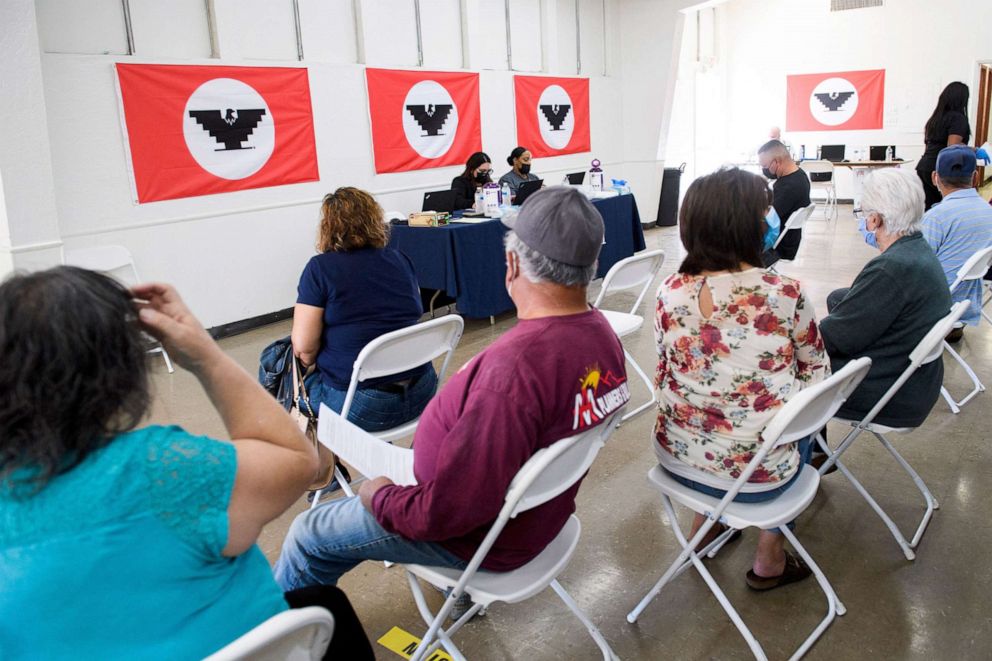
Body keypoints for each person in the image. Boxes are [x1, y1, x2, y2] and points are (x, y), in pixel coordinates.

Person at [275, 187, 630, 600]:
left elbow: (442, 514)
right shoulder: (603, 336)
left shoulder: (511, 374)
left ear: (512, 264)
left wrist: (378, 493)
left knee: (308, 532)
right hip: (539, 518)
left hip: (477, 538)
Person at [0, 268, 374, 660]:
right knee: (327, 606)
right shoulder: (164, 470)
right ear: (120, 373)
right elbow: (298, 460)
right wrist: (205, 354)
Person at [653, 167, 829, 591]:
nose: (770, 220)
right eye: (764, 212)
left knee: (707, 404)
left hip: (674, 459)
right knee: (798, 419)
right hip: (759, 477)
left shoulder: (669, 291)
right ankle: (768, 556)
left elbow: (665, 371)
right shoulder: (783, 292)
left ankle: (704, 527)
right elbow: (819, 373)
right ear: (747, 225)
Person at [293, 187, 438, 433]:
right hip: (422, 393)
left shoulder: (319, 269)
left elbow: (304, 349)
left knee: (283, 380)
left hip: (362, 405)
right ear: (375, 221)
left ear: (327, 226)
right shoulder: (400, 260)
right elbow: (412, 313)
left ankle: (323, 468)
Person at [821, 168, 952, 428]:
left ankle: (806, 455)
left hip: (890, 393)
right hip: (915, 381)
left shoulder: (890, 268)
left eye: (862, 214)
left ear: (875, 220)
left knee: (788, 370)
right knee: (840, 298)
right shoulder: (918, 249)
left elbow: (832, 337)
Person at [921, 145, 992, 342]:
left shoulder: (936, 217)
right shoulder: (988, 212)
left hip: (936, 302)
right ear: (976, 177)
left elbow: (917, 263)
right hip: (966, 301)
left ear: (935, 177)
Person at [917, 82, 971, 211]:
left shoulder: (935, 118)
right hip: (941, 168)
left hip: (924, 166)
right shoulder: (958, 118)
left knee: (928, 208)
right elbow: (952, 146)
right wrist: (975, 150)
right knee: (947, 208)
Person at [757, 139, 810, 263]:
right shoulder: (799, 175)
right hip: (786, 239)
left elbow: (765, 217)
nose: (763, 170)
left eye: (765, 166)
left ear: (777, 161)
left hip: (778, 245)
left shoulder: (789, 187)